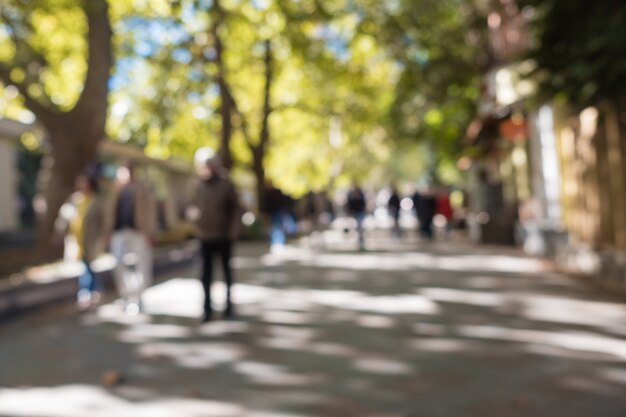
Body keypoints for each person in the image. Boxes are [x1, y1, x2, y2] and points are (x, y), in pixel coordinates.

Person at [189, 148, 241, 322]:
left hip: (223, 236)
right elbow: (194, 206)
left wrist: (233, 232)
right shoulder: (198, 185)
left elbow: (235, 209)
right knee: (206, 274)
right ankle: (207, 308)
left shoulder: (226, 184)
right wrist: (194, 217)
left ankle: (229, 305)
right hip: (205, 236)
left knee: (226, 271)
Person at [107, 161, 157, 314]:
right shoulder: (115, 191)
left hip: (139, 232)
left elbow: (150, 210)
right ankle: (126, 296)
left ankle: (139, 298)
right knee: (118, 264)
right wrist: (108, 233)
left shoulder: (142, 188)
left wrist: (150, 231)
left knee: (142, 265)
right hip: (120, 232)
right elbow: (109, 212)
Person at [56, 172, 107, 311]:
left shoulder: (96, 201)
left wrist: (104, 237)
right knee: (86, 267)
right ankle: (95, 290)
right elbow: (63, 218)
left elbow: (103, 221)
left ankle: (86, 294)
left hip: (91, 239)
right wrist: (59, 233)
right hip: (76, 240)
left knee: (87, 266)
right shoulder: (74, 200)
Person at [262, 181, 291, 252]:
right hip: (273, 212)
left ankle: (278, 242)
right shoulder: (268, 193)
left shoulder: (276, 192)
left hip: (277, 212)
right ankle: (276, 243)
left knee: (278, 227)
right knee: (275, 227)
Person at [346, 182, 367, 250]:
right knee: (357, 227)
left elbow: (363, 204)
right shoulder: (352, 196)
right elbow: (350, 205)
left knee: (360, 227)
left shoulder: (361, 196)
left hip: (360, 213)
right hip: (355, 213)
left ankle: (360, 240)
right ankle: (358, 240)